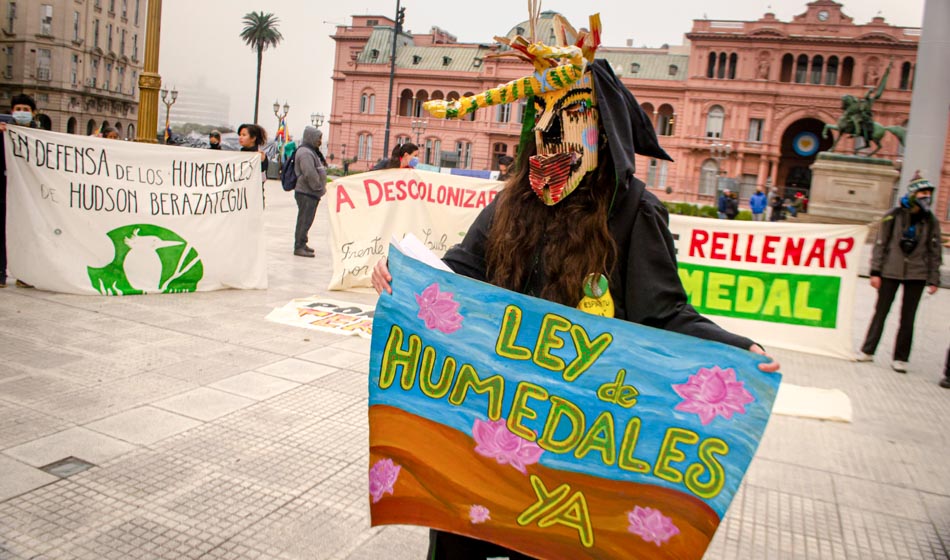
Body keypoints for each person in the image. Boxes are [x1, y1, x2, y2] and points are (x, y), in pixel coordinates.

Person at [372, 30, 779, 559]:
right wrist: (404, 275)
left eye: (566, 118)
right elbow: (457, 273)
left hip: (571, 437)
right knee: (468, 539)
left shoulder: (634, 212)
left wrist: (737, 350)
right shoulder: (512, 200)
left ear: (599, 128)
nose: (549, 133)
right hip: (491, 419)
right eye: (540, 117)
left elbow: (664, 313)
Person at [857, 173, 942, 373]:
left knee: (908, 317)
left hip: (917, 273)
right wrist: (875, 271)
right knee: (881, 312)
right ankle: (868, 350)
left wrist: (933, 278)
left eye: (928, 193)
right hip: (890, 270)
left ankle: (901, 357)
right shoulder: (893, 215)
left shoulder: (931, 221)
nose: (925, 197)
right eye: (922, 192)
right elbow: (881, 243)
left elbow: (934, 250)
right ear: (912, 193)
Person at [0, 93, 38, 288]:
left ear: (33, 113)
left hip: (29, 193)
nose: (22, 113)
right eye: (18, 109)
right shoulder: (3, 133)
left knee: (27, 232)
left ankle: (26, 274)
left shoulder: (40, 136)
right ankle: (1, 273)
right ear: (12, 111)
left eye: (26, 110)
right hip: (5, 190)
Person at [292, 126, 327, 258]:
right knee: (304, 220)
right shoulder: (306, 153)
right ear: (311, 137)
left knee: (307, 220)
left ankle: (303, 243)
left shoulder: (311, 151)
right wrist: (318, 186)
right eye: (319, 138)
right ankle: (299, 246)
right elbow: (309, 173)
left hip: (311, 192)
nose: (320, 141)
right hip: (306, 192)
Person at [238, 123, 269, 204]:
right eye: (240, 134)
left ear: (253, 138)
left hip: (253, 198)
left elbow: (263, 177)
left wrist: (262, 161)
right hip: (238, 197)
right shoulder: (237, 155)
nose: (240, 137)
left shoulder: (260, 156)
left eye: (244, 135)